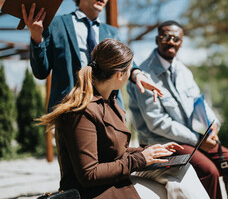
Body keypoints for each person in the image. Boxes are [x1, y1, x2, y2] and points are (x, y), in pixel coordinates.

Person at [36, 38, 209, 199]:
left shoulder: (110, 101)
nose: (131, 76)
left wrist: (151, 150)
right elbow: (89, 175)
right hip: (92, 191)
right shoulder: (81, 111)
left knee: (183, 173)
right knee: (167, 191)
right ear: (120, 75)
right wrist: (141, 159)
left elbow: (116, 151)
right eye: (130, 70)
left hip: (113, 179)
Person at [127, 20, 228, 199]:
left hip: (189, 139)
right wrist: (198, 139)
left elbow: (198, 101)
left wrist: (212, 125)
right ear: (157, 39)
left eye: (176, 39)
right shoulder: (144, 75)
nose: (171, 41)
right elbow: (157, 123)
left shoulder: (184, 71)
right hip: (161, 142)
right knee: (209, 171)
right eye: (165, 37)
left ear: (181, 43)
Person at [22, 0, 161, 112]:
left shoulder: (111, 31)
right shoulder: (56, 24)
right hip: (70, 110)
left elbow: (123, 61)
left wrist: (137, 74)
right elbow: (40, 72)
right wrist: (36, 36)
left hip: (109, 109)